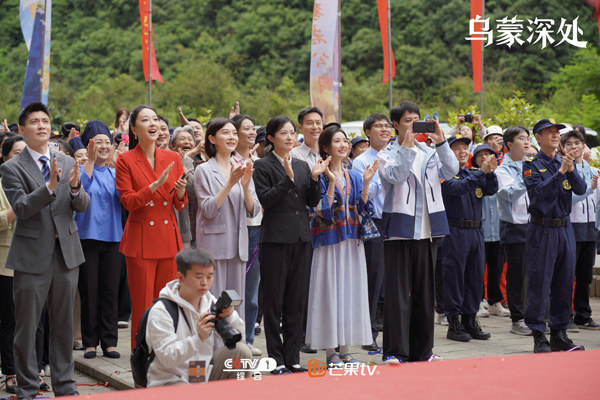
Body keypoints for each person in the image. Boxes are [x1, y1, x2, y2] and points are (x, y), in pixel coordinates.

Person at [1, 102, 90, 398]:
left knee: (63, 325)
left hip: (66, 253)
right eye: (34, 121)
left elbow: (82, 205)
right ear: (22, 129)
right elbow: (22, 207)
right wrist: (50, 186)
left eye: (45, 121)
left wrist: (74, 188)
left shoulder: (65, 160)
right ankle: (27, 388)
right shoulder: (11, 167)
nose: (41, 126)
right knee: (27, 327)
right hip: (30, 255)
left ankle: (65, 385)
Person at [378, 100, 459, 363]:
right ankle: (394, 351)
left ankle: (423, 351)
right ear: (395, 124)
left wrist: (441, 142)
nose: (413, 125)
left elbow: (452, 171)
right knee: (398, 295)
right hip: (400, 231)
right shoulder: (387, 153)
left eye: (417, 120)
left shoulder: (430, 152)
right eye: (407, 121)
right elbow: (397, 177)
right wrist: (406, 147)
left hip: (429, 230)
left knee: (425, 294)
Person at [253, 115, 329, 374]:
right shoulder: (262, 165)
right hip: (275, 239)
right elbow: (266, 199)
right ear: (271, 138)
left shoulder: (302, 164)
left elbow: (310, 201)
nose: (289, 137)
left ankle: (293, 357)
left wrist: (316, 179)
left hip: (301, 238)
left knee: (296, 300)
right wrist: (286, 178)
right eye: (283, 133)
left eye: (291, 133)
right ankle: (276, 359)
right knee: (273, 301)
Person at [115, 105, 189, 348]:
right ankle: (141, 354)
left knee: (167, 302)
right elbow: (128, 201)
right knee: (143, 303)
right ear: (134, 129)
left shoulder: (173, 158)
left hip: (168, 237)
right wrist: (154, 186)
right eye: (145, 120)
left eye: (155, 119)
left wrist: (180, 192)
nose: (153, 123)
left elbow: (179, 204)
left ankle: (166, 350)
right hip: (141, 240)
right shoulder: (125, 160)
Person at [307, 125, 377, 366]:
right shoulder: (318, 174)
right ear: (326, 147)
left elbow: (365, 209)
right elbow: (321, 211)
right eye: (337, 141)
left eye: (345, 141)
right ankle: (330, 352)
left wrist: (366, 183)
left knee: (349, 291)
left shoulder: (354, 176)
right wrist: (329, 181)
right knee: (329, 292)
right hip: (329, 242)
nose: (344, 145)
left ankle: (345, 350)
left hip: (352, 241)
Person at [523, 118, 586, 353]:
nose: (555, 135)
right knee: (539, 283)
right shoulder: (531, 164)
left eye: (556, 131)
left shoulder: (564, 161)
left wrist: (571, 169)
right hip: (543, 229)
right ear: (538, 138)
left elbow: (581, 189)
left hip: (565, 229)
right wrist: (560, 173)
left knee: (564, 282)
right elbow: (538, 192)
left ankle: (559, 333)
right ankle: (539, 334)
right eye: (548, 132)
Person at [146, 247, 250, 386]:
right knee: (185, 391)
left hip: (200, 375)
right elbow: (167, 358)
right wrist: (198, 338)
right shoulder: (162, 310)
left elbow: (240, 339)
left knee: (241, 352)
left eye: (209, 276)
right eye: (198, 277)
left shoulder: (210, 302)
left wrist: (230, 316)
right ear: (181, 277)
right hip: (170, 380)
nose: (204, 283)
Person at [195, 117, 260, 324]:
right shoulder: (204, 170)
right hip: (214, 245)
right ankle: (211, 343)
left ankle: (235, 342)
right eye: (225, 132)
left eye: (234, 133)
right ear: (212, 139)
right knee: (213, 302)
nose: (232, 137)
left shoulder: (243, 166)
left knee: (235, 303)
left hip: (238, 245)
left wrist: (245, 187)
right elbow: (208, 210)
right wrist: (230, 183)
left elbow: (254, 210)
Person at [74, 121, 124, 360]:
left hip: (114, 238)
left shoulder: (116, 174)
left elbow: (126, 198)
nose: (104, 146)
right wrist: (90, 161)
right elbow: (78, 193)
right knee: (89, 291)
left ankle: (110, 342)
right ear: (88, 145)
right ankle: (90, 342)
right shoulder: (79, 170)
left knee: (110, 291)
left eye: (107, 142)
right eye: (98, 142)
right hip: (86, 238)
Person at [442, 137, 498, 342]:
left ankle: (470, 319)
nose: (462, 151)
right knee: (455, 278)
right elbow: (457, 188)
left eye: (465, 147)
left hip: (476, 231)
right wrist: (482, 172)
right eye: (456, 148)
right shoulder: (444, 174)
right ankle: (453, 323)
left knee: (474, 278)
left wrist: (489, 172)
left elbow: (491, 189)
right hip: (455, 230)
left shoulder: (473, 173)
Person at [352, 113, 391, 351]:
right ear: (367, 132)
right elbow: (362, 196)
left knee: (395, 280)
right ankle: (368, 333)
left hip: (399, 220)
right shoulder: (360, 161)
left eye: (387, 126)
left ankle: (395, 334)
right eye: (379, 126)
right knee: (373, 280)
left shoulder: (397, 155)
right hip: (374, 223)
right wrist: (385, 178)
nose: (385, 130)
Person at [496, 126, 532, 336]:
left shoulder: (531, 166)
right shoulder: (502, 170)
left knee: (534, 274)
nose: (527, 142)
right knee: (517, 275)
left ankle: (533, 316)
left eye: (528, 138)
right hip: (514, 227)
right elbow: (508, 194)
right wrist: (528, 179)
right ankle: (517, 319)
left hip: (535, 225)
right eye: (521, 138)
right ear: (509, 144)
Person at [231, 114, 263, 357]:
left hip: (258, 227)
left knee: (251, 291)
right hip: (235, 228)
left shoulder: (259, 162)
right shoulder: (227, 162)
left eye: (253, 129)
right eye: (247, 128)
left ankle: (248, 339)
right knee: (232, 288)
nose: (252, 133)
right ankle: (230, 340)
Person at [562, 129, 600, 330]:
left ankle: (583, 315)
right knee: (567, 274)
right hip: (571, 226)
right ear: (563, 148)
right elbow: (568, 200)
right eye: (569, 144)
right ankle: (565, 315)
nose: (573, 147)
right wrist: (589, 189)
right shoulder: (564, 171)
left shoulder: (594, 171)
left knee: (585, 276)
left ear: (584, 146)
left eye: (577, 143)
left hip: (591, 227)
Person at [0, 135, 26, 394]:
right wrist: (20, 206)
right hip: (6, 262)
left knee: (32, 321)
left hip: (34, 259)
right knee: (11, 320)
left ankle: (31, 371)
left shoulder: (37, 181)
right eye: (17, 153)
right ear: (5, 157)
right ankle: (10, 373)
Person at [474, 143, 509, 318]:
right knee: (478, 268)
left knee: (496, 268)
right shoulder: (473, 176)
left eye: (487, 154)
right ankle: (479, 300)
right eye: (480, 155)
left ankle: (495, 301)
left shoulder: (499, 175)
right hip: (480, 230)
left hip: (498, 229)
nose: (484, 157)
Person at [170, 125, 197, 247]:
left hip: (182, 224)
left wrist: (183, 168)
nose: (187, 141)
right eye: (182, 139)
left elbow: (193, 190)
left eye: (190, 139)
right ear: (173, 145)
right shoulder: (163, 159)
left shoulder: (188, 161)